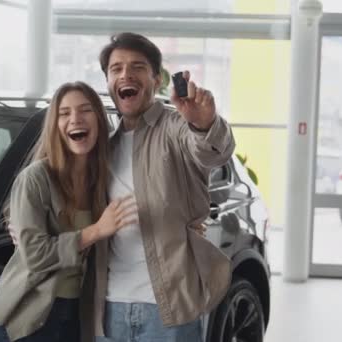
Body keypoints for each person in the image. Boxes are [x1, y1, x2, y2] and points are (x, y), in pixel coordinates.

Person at [89, 32, 236, 342]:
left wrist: (204, 123)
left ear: (156, 79)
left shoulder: (175, 127)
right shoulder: (103, 144)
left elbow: (212, 150)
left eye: (137, 67)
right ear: (108, 81)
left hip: (167, 308)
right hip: (110, 307)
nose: (125, 74)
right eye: (116, 69)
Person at [0, 81, 138, 342]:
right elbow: (35, 255)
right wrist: (96, 230)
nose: (75, 119)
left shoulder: (104, 181)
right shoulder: (35, 178)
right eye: (65, 113)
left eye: (85, 110)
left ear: (100, 120)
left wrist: (186, 223)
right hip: (28, 318)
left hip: (78, 312)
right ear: (55, 125)